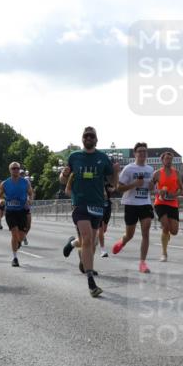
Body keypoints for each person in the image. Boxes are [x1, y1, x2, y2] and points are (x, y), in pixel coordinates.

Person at [59, 126, 117, 297]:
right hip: (80, 204)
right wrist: (63, 173)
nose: (89, 138)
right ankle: (91, 282)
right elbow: (62, 179)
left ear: (96, 139)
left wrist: (116, 172)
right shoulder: (74, 157)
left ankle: (71, 244)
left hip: (98, 204)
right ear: (82, 139)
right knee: (87, 238)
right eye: (86, 136)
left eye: (92, 136)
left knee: (90, 243)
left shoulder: (102, 158)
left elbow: (113, 183)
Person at [112, 142, 155, 273]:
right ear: (135, 154)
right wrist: (134, 184)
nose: (142, 153)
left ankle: (142, 263)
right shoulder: (129, 169)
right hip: (131, 204)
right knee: (130, 234)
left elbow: (151, 189)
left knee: (146, 231)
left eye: (144, 151)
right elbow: (118, 188)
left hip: (145, 204)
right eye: (140, 151)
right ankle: (123, 241)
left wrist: (153, 187)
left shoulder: (150, 170)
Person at [0, 161, 34, 267]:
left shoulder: (25, 182)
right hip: (10, 211)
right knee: (14, 233)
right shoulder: (5, 183)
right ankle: (15, 258)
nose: (16, 170)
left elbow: (31, 193)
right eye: (13, 168)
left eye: (17, 168)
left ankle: (18, 242)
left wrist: (30, 200)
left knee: (21, 236)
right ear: (10, 170)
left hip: (22, 211)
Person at [153, 151, 181, 262]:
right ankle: (164, 253)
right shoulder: (157, 173)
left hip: (173, 203)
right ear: (162, 160)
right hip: (160, 203)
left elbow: (181, 188)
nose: (168, 161)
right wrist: (160, 191)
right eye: (166, 159)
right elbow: (151, 187)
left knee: (174, 231)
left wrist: (176, 193)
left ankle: (167, 234)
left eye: (170, 159)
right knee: (165, 227)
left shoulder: (176, 173)